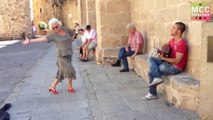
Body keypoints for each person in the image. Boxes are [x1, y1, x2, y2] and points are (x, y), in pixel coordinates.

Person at [22, 18, 76, 95]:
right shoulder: (53, 35)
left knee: (61, 72)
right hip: (61, 56)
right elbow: (42, 39)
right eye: (53, 28)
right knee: (70, 70)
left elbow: (73, 33)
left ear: (59, 25)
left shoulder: (66, 29)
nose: (55, 29)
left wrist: (71, 39)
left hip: (69, 54)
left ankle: (52, 86)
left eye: (56, 27)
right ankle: (70, 87)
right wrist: (30, 41)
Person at [142, 22, 188, 100]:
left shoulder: (182, 44)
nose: (171, 29)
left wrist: (163, 58)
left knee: (156, 68)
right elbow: (165, 45)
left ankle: (152, 93)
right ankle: (156, 80)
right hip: (168, 62)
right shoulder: (172, 40)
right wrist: (161, 50)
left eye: (174, 28)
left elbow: (177, 61)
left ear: (179, 31)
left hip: (176, 67)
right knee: (150, 59)